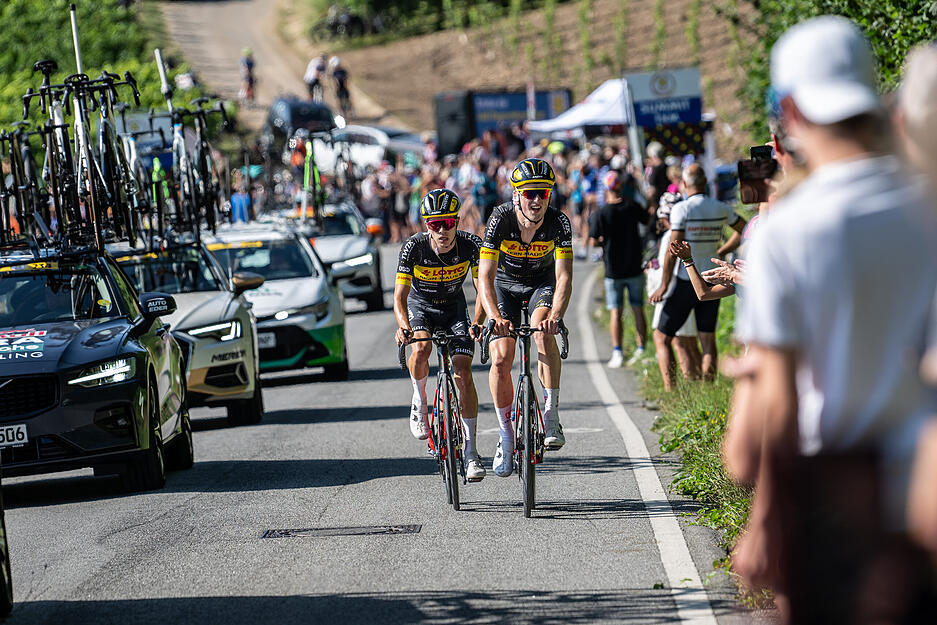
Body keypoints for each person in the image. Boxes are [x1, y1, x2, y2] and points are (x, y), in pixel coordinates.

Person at [730, 17, 937, 623]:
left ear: (789, 109)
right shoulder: (924, 203)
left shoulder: (785, 230)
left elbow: (778, 409)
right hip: (920, 494)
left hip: (834, 499)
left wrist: (766, 521)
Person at [478, 158, 573, 477]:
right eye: (529, 193)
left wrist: (556, 315)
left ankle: (551, 413)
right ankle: (505, 436)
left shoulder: (558, 222)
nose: (536, 199)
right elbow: (485, 278)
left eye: (543, 193)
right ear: (516, 195)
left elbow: (563, 278)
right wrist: (493, 316)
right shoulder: (500, 219)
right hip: (504, 286)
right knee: (502, 358)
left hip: (540, 284)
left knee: (542, 332)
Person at [394, 189, 487, 482]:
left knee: (462, 369)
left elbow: (482, 288)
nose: (443, 230)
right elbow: (400, 296)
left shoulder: (472, 244)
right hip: (421, 306)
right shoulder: (414, 247)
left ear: (457, 221)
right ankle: (420, 401)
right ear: (426, 225)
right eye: (435, 224)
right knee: (421, 349)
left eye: (448, 223)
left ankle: (471, 450)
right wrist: (403, 326)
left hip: (453, 307)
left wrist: (478, 321)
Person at [649, 164, 746, 389]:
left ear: (684, 184)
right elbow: (744, 229)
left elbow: (673, 249)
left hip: (686, 279)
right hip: (714, 275)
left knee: (662, 336)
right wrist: (721, 251)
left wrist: (664, 284)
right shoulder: (720, 207)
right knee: (708, 339)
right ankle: (707, 391)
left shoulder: (681, 209)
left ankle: (670, 390)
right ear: (706, 184)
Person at [589, 171, 650, 367]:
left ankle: (618, 351)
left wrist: (603, 242)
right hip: (634, 266)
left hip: (613, 269)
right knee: (637, 308)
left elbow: (593, 240)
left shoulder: (601, 213)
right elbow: (647, 220)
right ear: (620, 187)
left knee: (616, 311)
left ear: (606, 189)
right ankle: (642, 349)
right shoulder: (632, 206)